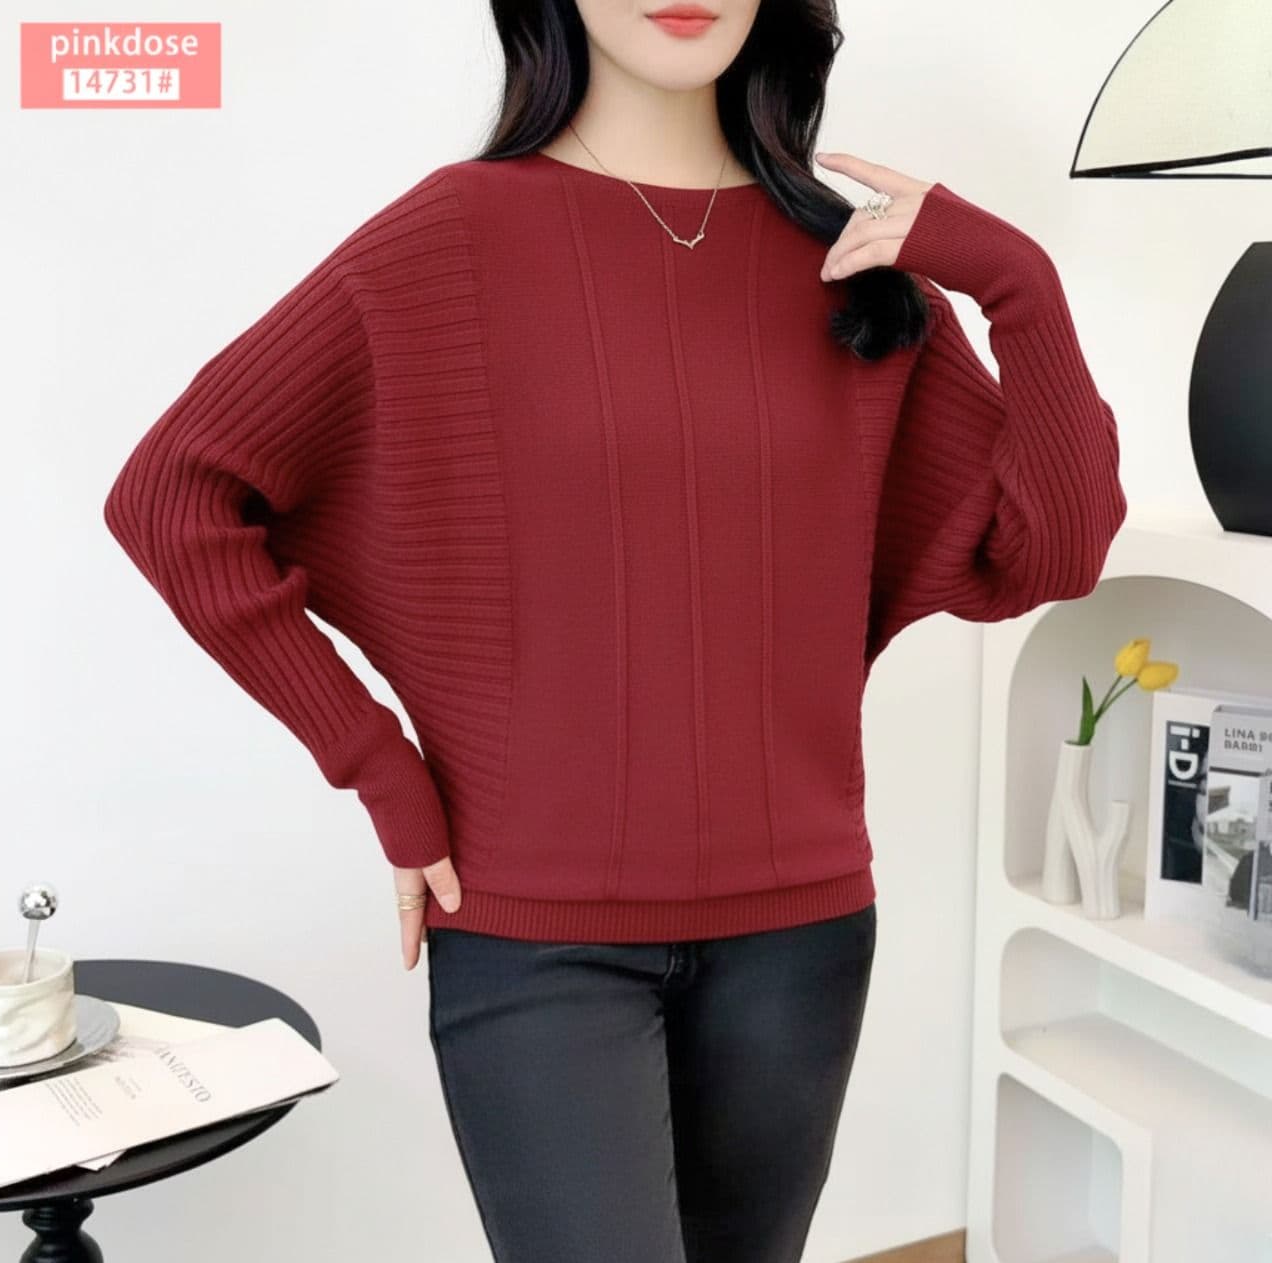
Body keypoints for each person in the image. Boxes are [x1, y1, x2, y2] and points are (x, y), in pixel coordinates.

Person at [101, 1, 1128, 1258]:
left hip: (799, 935)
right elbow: (174, 498)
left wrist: (1018, 284)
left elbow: (1055, 552)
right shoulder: (449, 235)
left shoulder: (853, 265)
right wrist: (379, 768)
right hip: (533, 940)